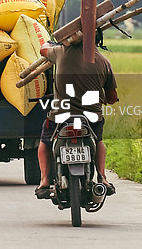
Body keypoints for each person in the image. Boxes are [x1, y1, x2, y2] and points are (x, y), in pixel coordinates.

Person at [34, 32, 118, 199]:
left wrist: (52, 43)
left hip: (60, 114)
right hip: (91, 117)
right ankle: (102, 177)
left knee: (45, 141)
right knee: (98, 140)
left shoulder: (61, 53)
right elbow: (112, 97)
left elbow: (43, 49)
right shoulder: (104, 62)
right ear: (99, 41)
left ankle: (44, 181)